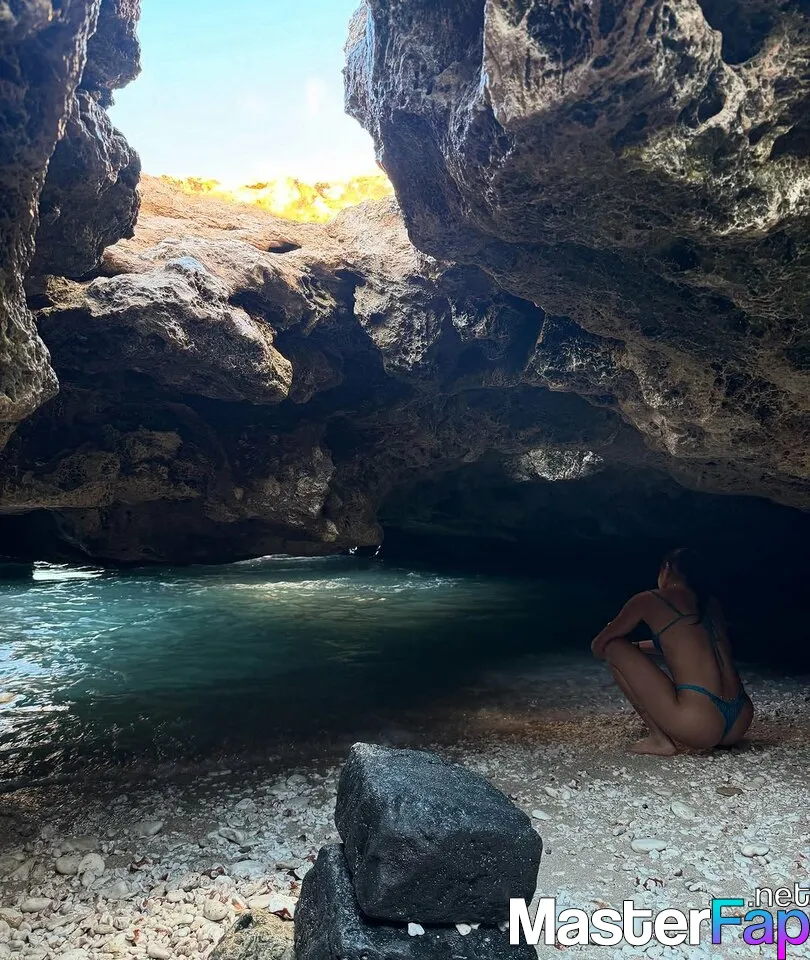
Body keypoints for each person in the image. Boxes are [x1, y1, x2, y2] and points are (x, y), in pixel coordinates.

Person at [591, 548, 753, 755]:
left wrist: (614, 634)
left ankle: (660, 740)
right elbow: (689, 646)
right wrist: (636, 648)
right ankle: (715, 733)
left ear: (666, 568)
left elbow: (599, 646)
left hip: (699, 724)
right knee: (622, 648)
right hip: (741, 719)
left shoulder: (649, 599)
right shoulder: (711, 603)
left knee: (614, 647)